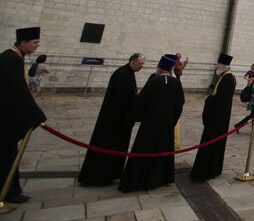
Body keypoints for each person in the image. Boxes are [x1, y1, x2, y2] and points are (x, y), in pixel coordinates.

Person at [118, 54, 185, 192]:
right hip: (166, 125)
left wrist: (139, 117)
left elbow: (142, 102)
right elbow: (180, 104)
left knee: (145, 149)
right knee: (163, 151)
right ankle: (161, 178)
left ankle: (138, 180)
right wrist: (172, 120)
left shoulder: (154, 81)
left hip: (150, 124)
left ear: (160, 68)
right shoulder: (176, 83)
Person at [78, 53, 144, 186]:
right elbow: (122, 98)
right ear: (133, 61)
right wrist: (136, 96)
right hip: (114, 121)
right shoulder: (122, 74)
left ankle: (112, 173)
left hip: (118, 119)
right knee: (109, 148)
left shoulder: (127, 73)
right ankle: (101, 175)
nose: (142, 66)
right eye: (140, 63)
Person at [0, 27, 47, 204]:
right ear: (23, 42)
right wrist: (36, 114)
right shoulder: (11, 59)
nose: (37, 45)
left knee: (9, 155)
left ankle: (10, 190)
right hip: (5, 119)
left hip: (6, 116)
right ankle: (8, 192)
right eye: (34, 43)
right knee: (6, 156)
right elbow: (19, 91)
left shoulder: (13, 57)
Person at [191, 53, 235, 181]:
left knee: (211, 143)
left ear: (223, 66)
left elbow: (221, 99)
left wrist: (209, 99)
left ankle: (206, 170)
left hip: (218, 119)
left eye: (218, 64)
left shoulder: (227, 78)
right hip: (219, 117)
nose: (216, 66)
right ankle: (212, 168)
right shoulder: (224, 77)